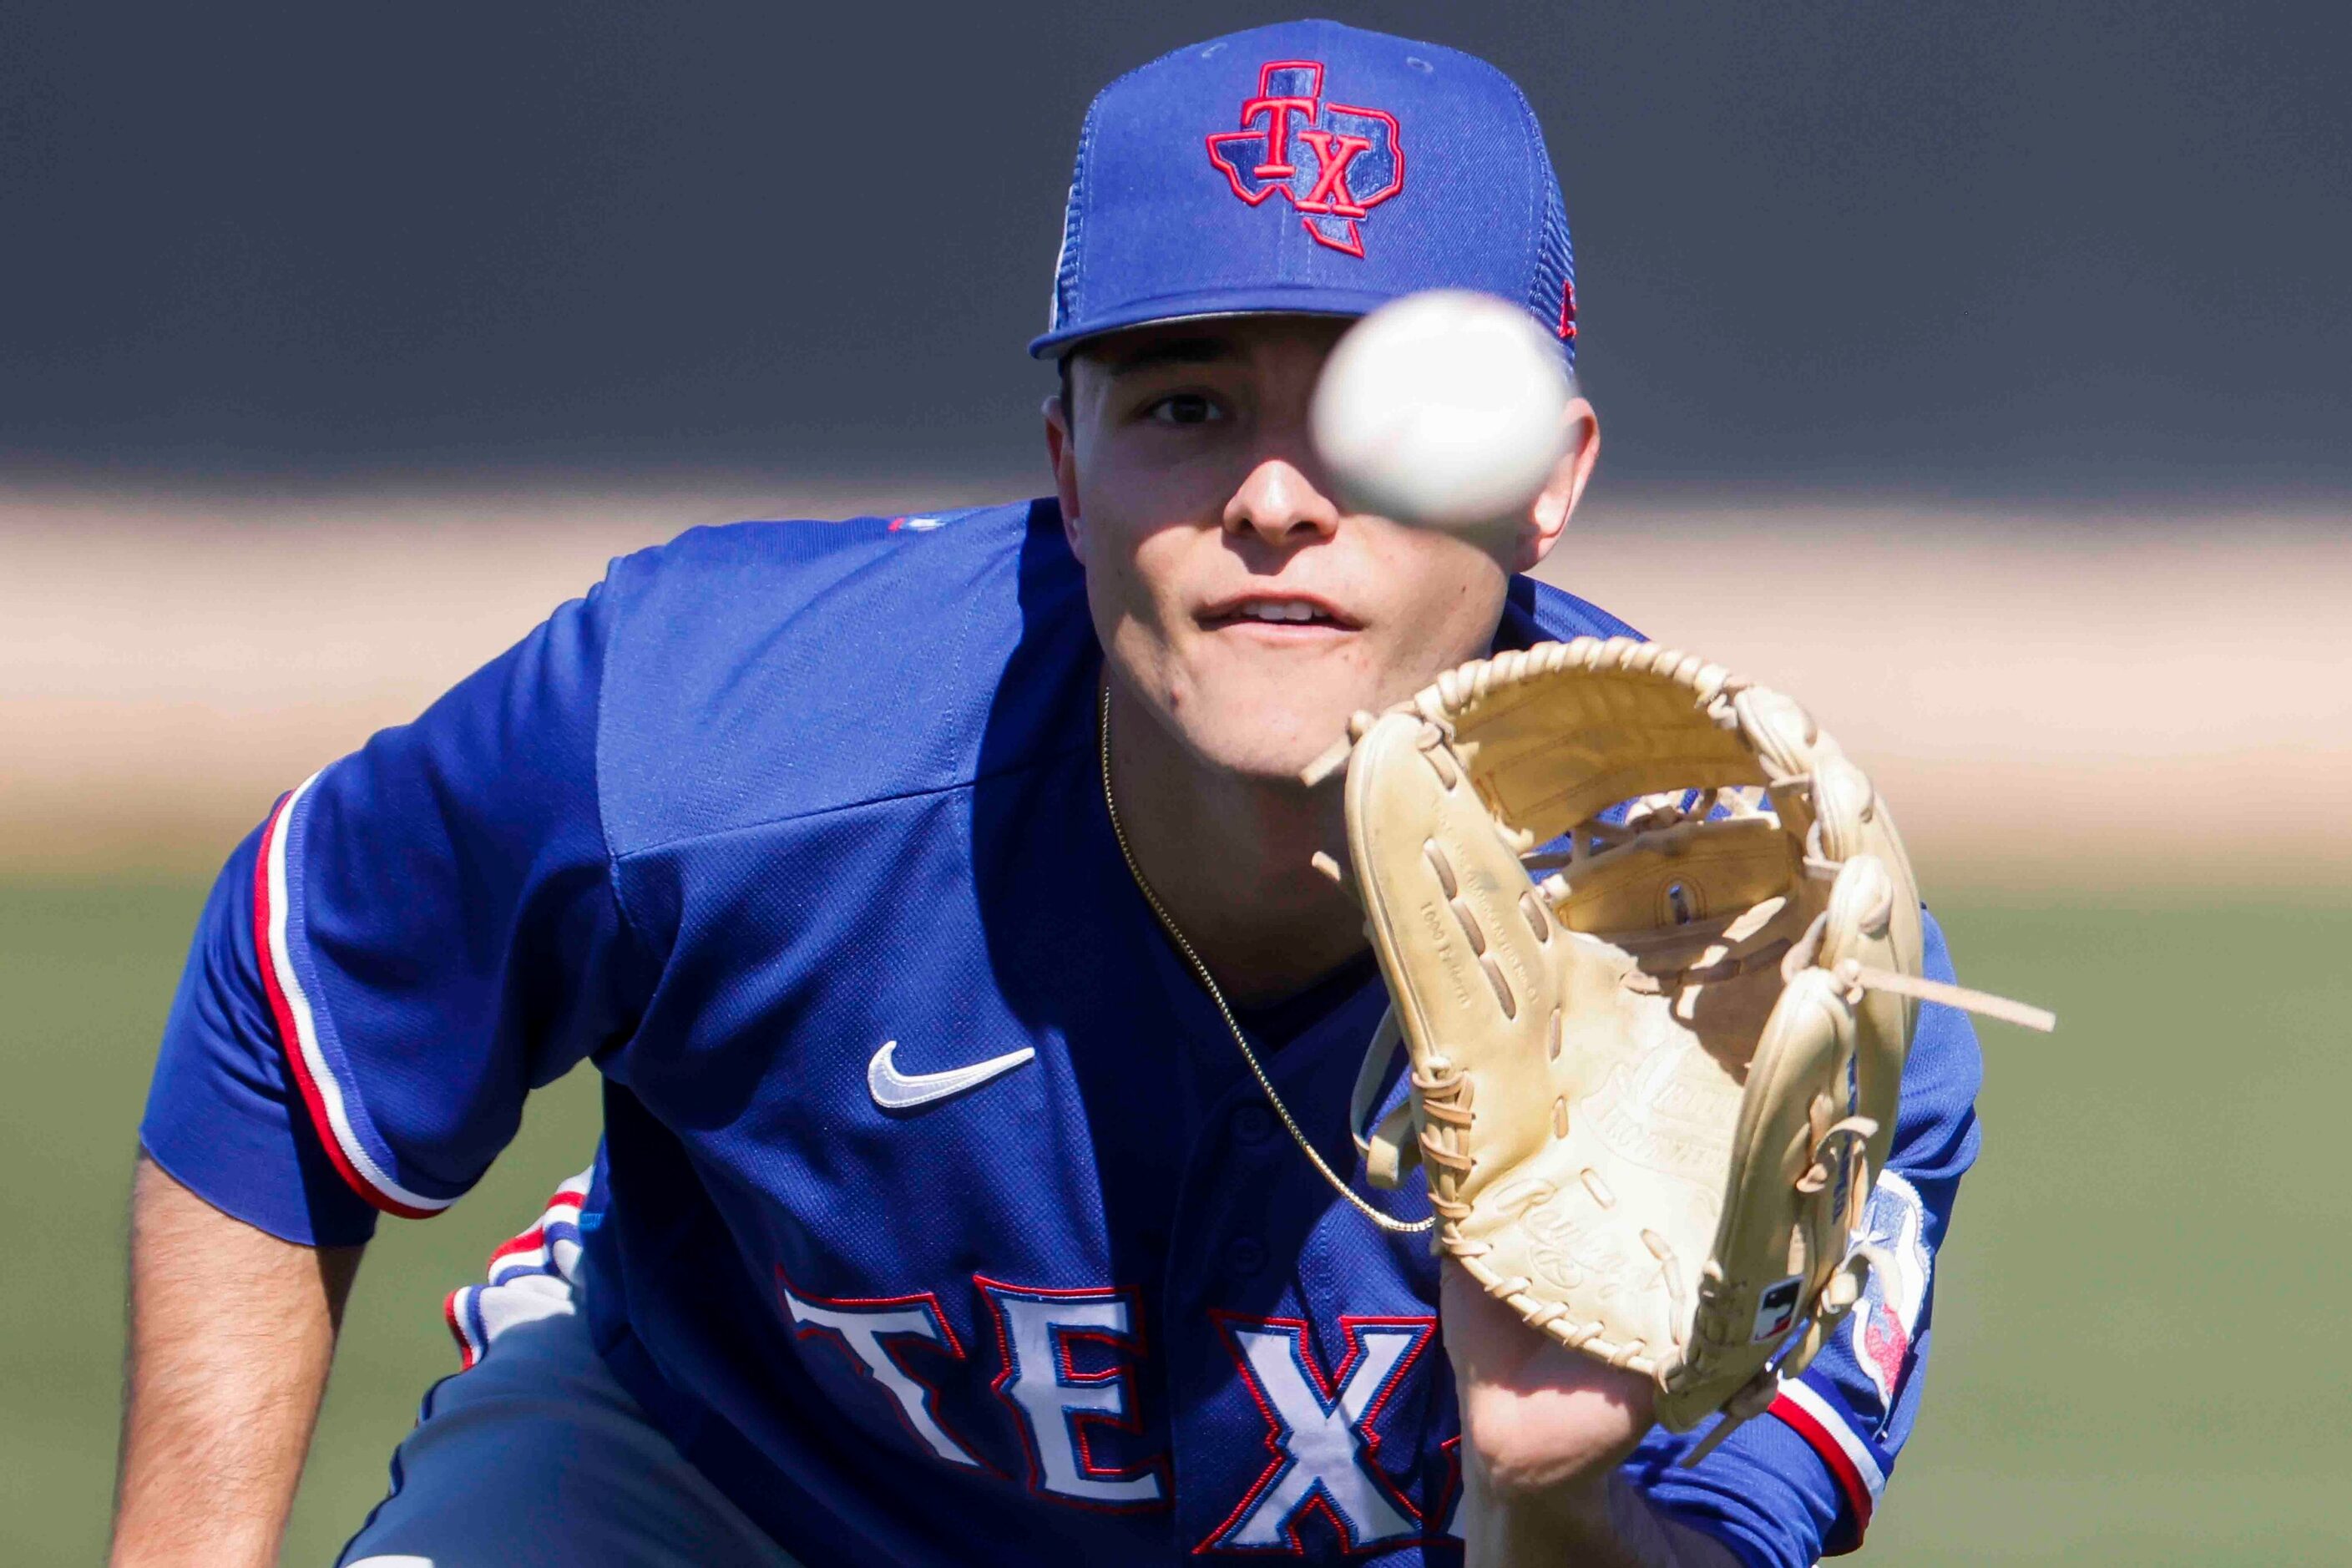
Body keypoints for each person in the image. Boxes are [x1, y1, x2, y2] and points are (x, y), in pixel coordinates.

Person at [112, 20, 1980, 1567]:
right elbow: (296, 1015)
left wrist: (1551, 1495)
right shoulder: (713, 739)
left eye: (1378, 419)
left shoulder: (1750, 977)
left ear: (1543, 480)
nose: (1273, 497)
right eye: (1184, 406)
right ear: (1063, 471)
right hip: (707, 1485)